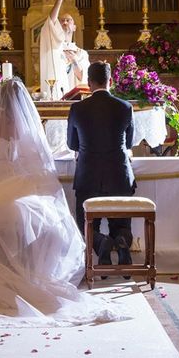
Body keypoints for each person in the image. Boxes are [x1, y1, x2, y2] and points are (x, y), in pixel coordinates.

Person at [0, 78, 130, 326]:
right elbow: (41, 166)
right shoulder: (29, 127)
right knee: (45, 218)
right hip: (24, 192)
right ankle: (27, 271)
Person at [67, 61, 136, 277]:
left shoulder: (77, 108)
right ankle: (122, 243)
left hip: (89, 177)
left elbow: (72, 144)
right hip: (119, 176)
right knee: (121, 219)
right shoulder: (125, 107)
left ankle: (101, 243)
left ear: (88, 83)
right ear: (111, 80)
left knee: (86, 222)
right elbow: (130, 142)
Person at [39, 0, 89, 99]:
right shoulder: (54, 48)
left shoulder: (81, 54)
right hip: (56, 97)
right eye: (62, 21)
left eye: (69, 20)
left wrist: (75, 61)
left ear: (75, 27)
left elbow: (83, 78)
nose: (65, 22)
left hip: (76, 100)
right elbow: (50, 23)